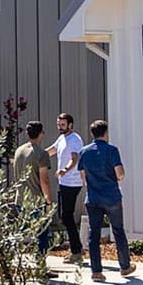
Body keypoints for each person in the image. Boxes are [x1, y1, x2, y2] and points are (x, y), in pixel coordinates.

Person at [78, 120, 137, 283]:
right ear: (105, 133)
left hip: (93, 197)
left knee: (94, 234)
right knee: (118, 230)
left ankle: (96, 270)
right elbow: (120, 174)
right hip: (111, 196)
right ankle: (124, 266)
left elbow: (83, 177)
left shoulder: (84, 151)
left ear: (92, 134)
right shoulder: (112, 150)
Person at [12, 120, 55, 275]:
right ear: (41, 133)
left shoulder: (19, 151)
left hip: (20, 199)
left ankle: (16, 266)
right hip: (36, 200)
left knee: (21, 234)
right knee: (42, 235)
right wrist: (48, 200)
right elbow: (44, 179)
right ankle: (41, 267)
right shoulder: (41, 154)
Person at [47, 112, 84, 265]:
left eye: (63, 125)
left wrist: (65, 170)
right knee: (65, 216)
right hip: (64, 182)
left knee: (66, 216)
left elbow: (75, 159)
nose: (60, 127)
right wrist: (33, 155)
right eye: (59, 124)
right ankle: (77, 249)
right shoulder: (62, 138)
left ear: (70, 125)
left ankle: (76, 252)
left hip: (72, 182)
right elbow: (51, 150)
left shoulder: (74, 139)